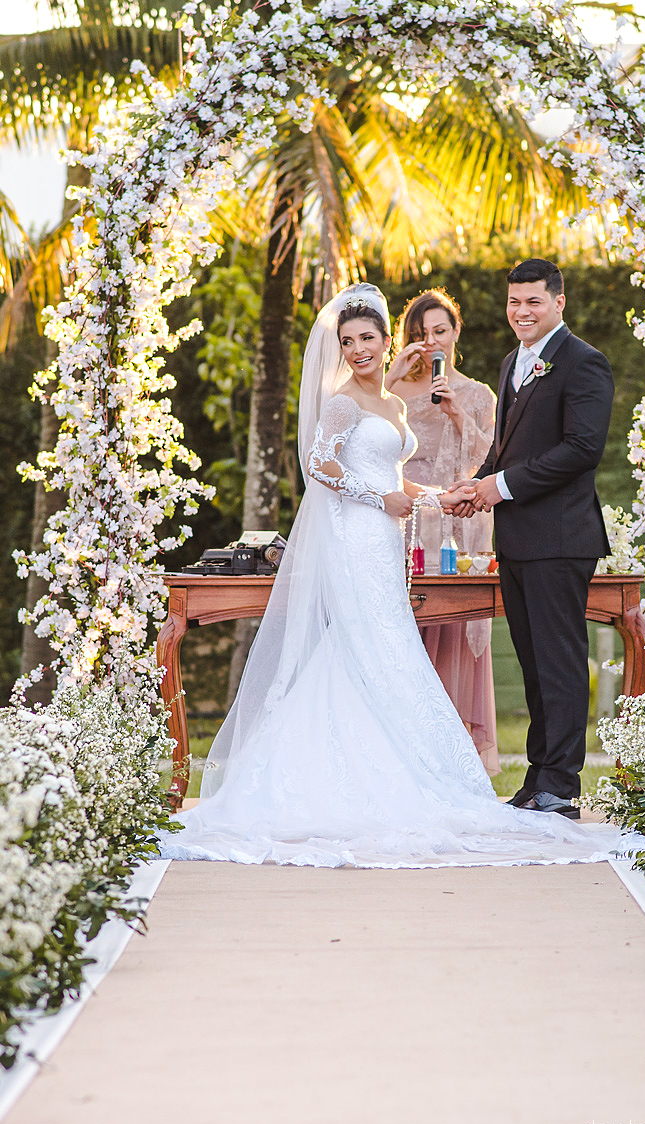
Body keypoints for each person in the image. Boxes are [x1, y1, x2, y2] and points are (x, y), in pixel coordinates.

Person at [159, 283, 618, 868]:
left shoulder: (398, 405)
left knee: (388, 649)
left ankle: (538, 781)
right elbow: (319, 468)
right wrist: (380, 499)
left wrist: (442, 497)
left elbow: (400, 477)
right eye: (347, 341)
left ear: (384, 339)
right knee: (366, 648)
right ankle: (338, 780)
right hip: (353, 539)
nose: (357, 349)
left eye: (367, 338)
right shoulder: (342, 401)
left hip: (386, 543)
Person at [452, 259, 614, 820]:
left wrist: (500, 486)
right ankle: (537, 778)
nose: (522, 312)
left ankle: (562, 788)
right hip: (517, 539)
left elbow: (581, 450)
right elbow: (506, 445)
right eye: (514, 302)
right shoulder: (510, 363)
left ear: (559, 301)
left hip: (562, 537)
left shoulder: (584, 363)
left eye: (533, 303)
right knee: (534, 663)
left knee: (561, 661)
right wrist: (479, 486)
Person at [384, 289, 499, 775]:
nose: (430, 341)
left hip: (458, 527)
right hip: (405, 520)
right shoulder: (393, 396)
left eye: (439, 331)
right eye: (420, 333)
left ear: (455, 333)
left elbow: (491, 462)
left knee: (453, 629)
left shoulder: (478, 395)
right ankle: (402, 752)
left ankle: (454, 762)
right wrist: (392, 376)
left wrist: (457, 413)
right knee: (406, 630)